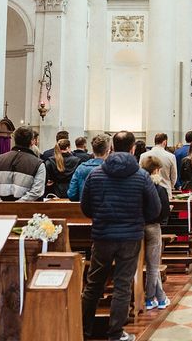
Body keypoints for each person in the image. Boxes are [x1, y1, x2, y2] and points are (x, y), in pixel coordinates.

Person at [81, 131, 161, 341]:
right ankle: (115, 333)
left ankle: (83, 330)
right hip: (130, 236)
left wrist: (101, 217)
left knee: (94, 284)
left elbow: (86, 207)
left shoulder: (96, 174)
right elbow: (155, 209)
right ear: (133, 148)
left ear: (112, 148)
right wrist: (137, 218)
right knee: (122, 285)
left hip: (102, 235)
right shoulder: (141, 176)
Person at [139, 156, 171, 311]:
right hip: (153, 226)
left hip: (137, 226)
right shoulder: (159, 188)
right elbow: (163, 211)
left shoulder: (137, 185)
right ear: (156, 169)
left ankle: (161, 297)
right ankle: (150, 299)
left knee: (146, 265)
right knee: (153, 265)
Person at [0, 126, 46, 201]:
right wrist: (15, 206)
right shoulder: (38, 164)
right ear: (32, 141)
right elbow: (37, 191)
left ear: (14, 139)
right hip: (24, 210)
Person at [68, 134, 111, 201]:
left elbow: (72, 194)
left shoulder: (81, 168)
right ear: (108, 151)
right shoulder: (111, 169)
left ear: (93, 150)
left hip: (85, 209)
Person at [139, 133, 177, 198]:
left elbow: (140, 173)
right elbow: (174, 176)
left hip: (147, 190)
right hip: (165, 190)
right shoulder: (171, 156)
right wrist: (170, 185)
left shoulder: (143, 156)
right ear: (165, 142)